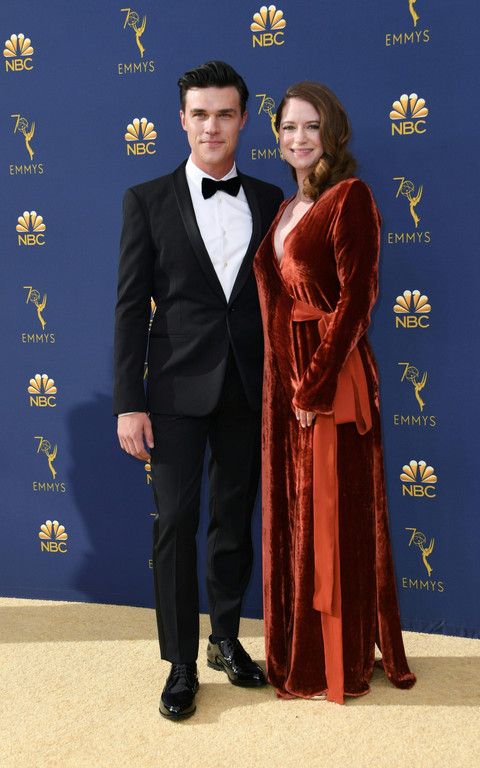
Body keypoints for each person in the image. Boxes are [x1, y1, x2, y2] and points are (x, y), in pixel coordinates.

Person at [113, 61, 283, 720]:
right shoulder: (146, 200)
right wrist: (129, 401)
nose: (212, 126)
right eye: (200, 114)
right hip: (174, 392)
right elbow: (130, 308)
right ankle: (181, 661)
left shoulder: (270, 198)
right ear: (182, 120)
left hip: (249, 386)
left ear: (244, 120)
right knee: (176, 525)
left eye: (225, 114)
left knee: (233, 523)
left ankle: (225, 640)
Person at [254, 81, 416, 703]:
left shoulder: (351, 197)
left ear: (333, 133)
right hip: (287, 381)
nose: (298, 138)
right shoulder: (285, 209)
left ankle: (337, 662)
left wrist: (314, 387)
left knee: (333, 516)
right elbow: (275, 301)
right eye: (288, 127)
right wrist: (284, 384)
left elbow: (357, 300)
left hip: (331, 379)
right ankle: (300, 652)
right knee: (295, 518)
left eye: (311, 126)